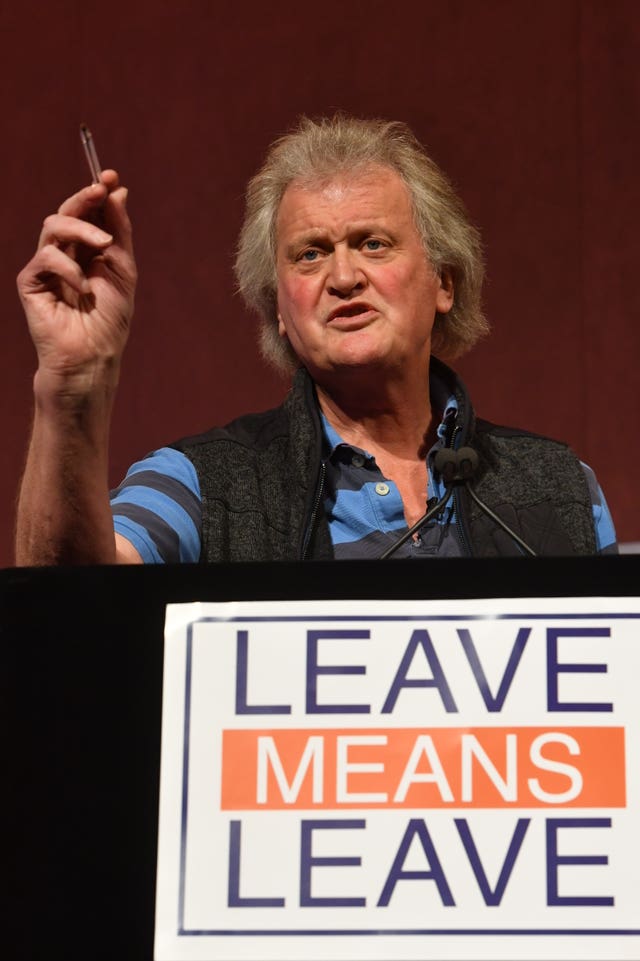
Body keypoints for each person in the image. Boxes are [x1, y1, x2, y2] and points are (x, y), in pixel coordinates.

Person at [15, 115, 617, 565]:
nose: (344, 277)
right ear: (278, 308)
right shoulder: (198, 483)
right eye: (310, 254)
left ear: (444, 283)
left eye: (373, 243)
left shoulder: (563, 488)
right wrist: (72, 389)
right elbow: (69, 596)